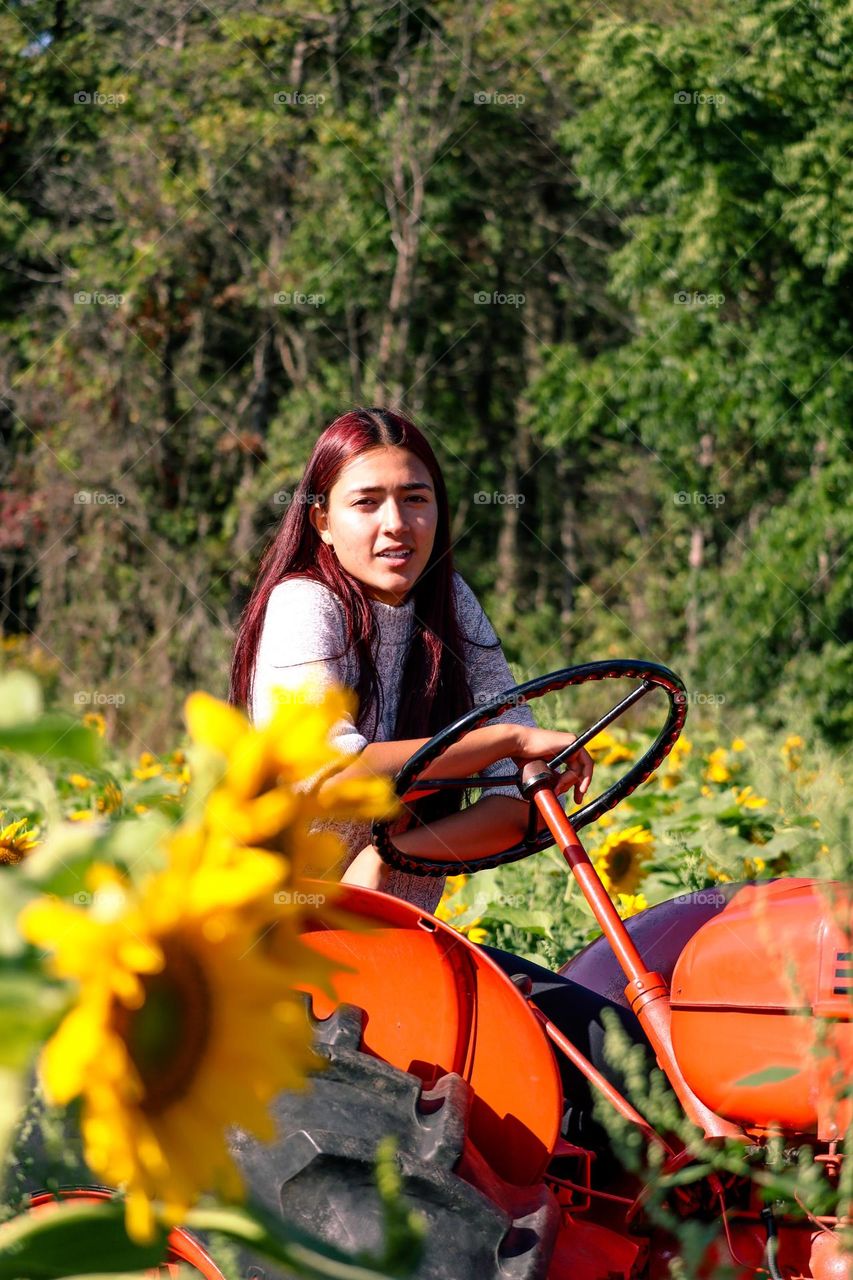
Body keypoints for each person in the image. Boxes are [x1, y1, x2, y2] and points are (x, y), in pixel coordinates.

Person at [229, 405, 594, 913]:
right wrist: (505, 741)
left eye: (414, 499)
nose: (396, 524)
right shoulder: (305, 603)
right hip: (285, 938)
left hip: (404, 938)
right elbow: (326, 771)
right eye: (367, 503)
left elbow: (523, 805)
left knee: (579, 998)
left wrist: (392, 855)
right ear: (323, 522)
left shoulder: (451, 602)